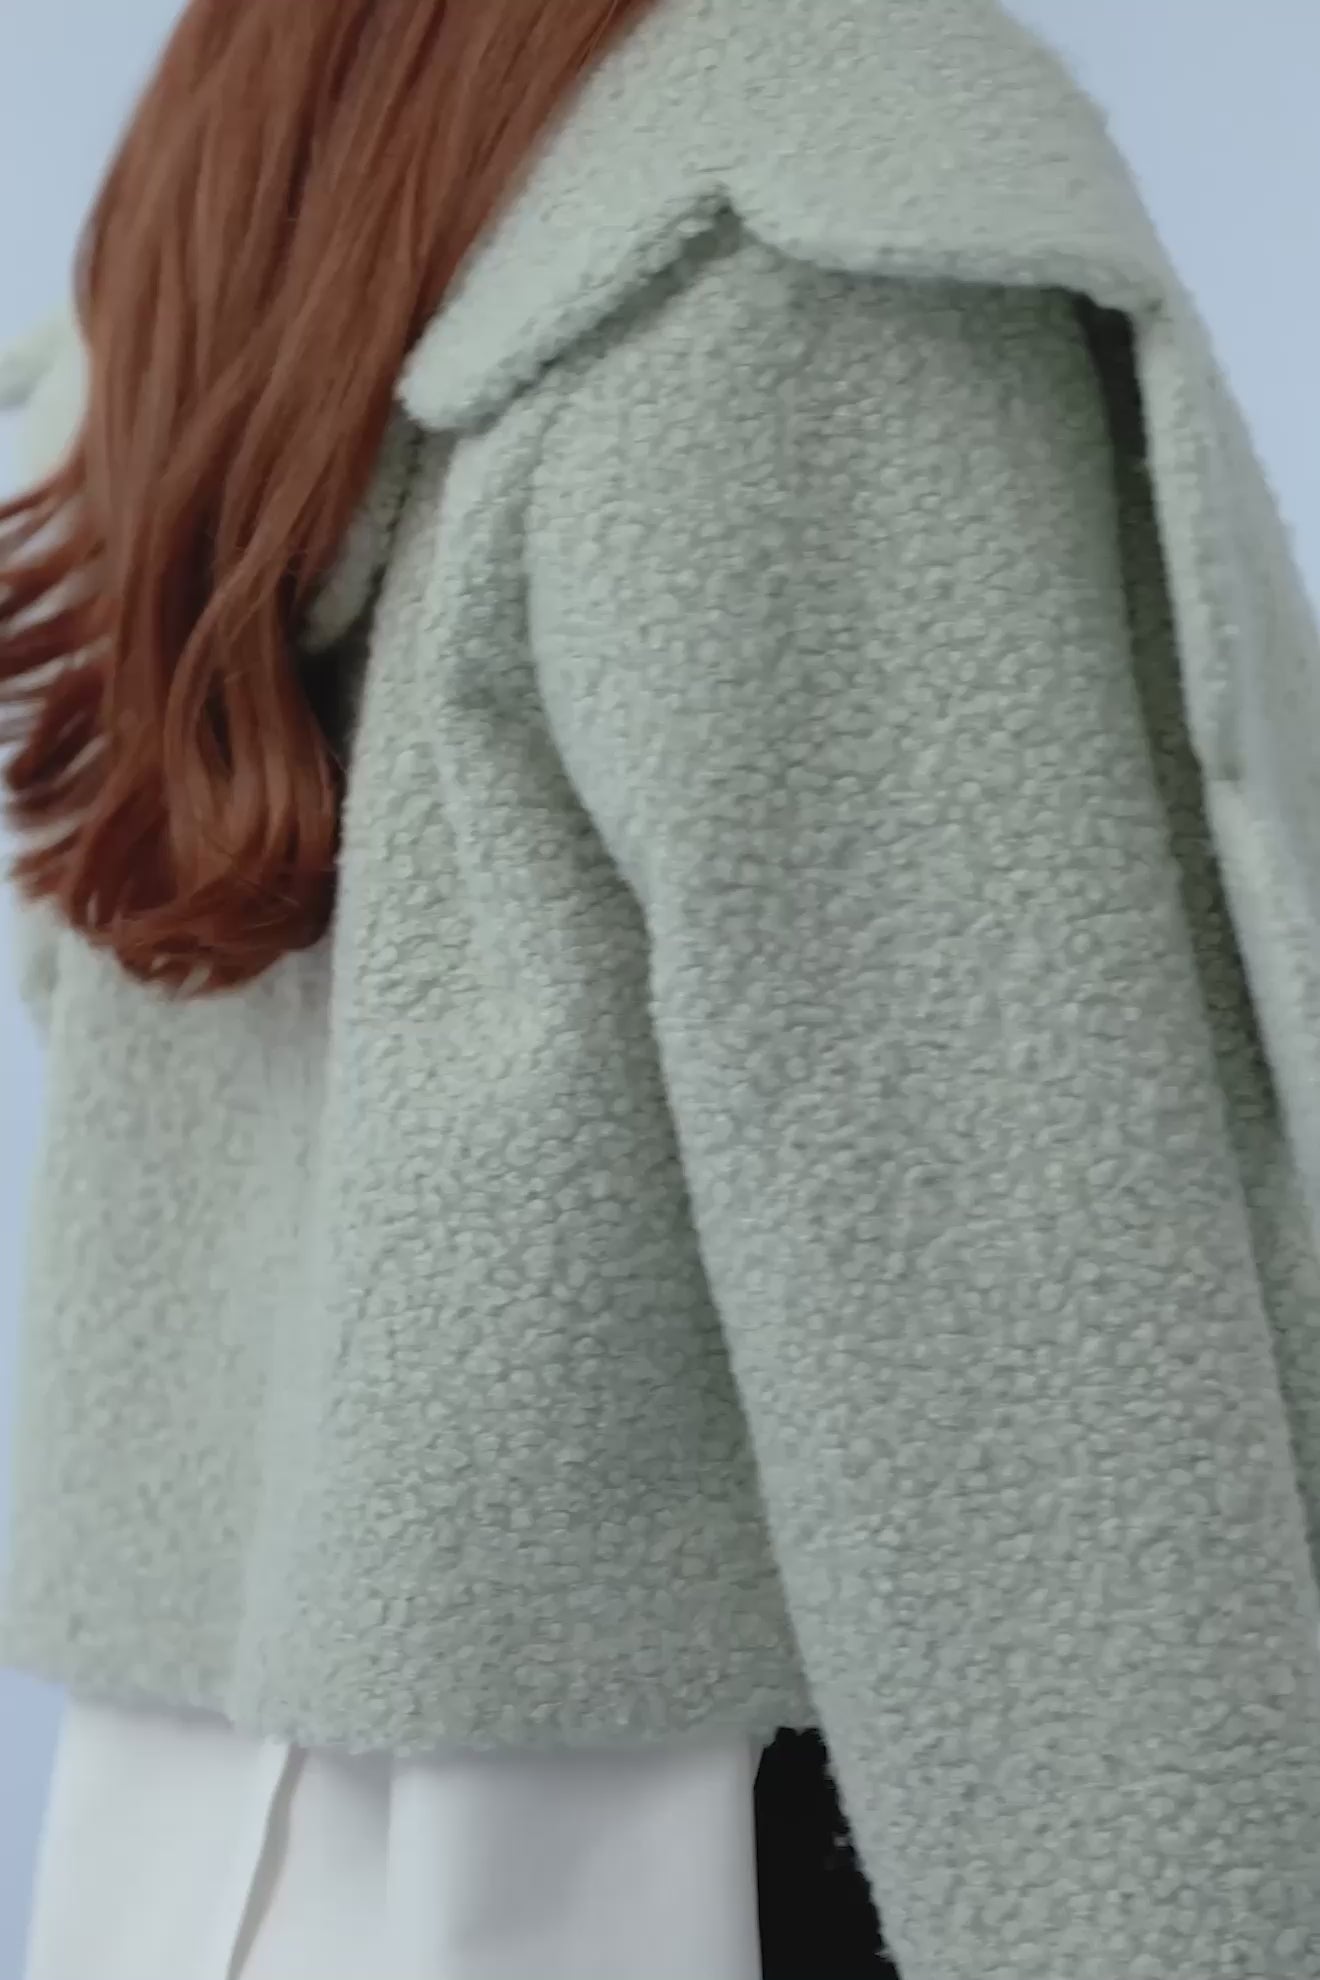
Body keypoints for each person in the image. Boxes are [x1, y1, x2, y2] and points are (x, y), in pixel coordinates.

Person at [5, 1, 1320, 1975]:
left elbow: (124, 957)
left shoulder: (254, 163)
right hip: (763, 1831)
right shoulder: (813, 230)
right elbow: (1005, 1296)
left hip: (221, 1833)